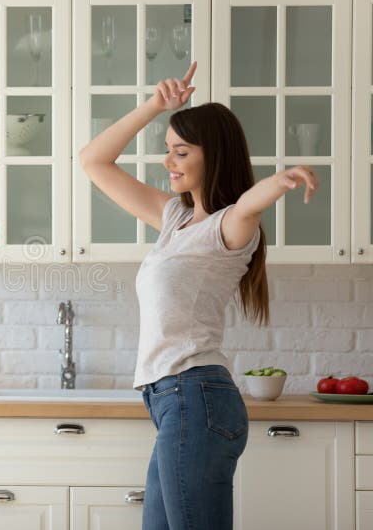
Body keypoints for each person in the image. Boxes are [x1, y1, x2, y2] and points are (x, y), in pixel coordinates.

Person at [78, 60, 318, 530]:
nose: (169, 162)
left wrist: (276, 182)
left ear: (214, 155)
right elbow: (93, 161)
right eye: (168, 150)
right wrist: (155, 105)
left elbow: (248, 205)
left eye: (181, 152)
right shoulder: (174, 219)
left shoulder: (226, 228)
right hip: (173, 400)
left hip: (195, 394)